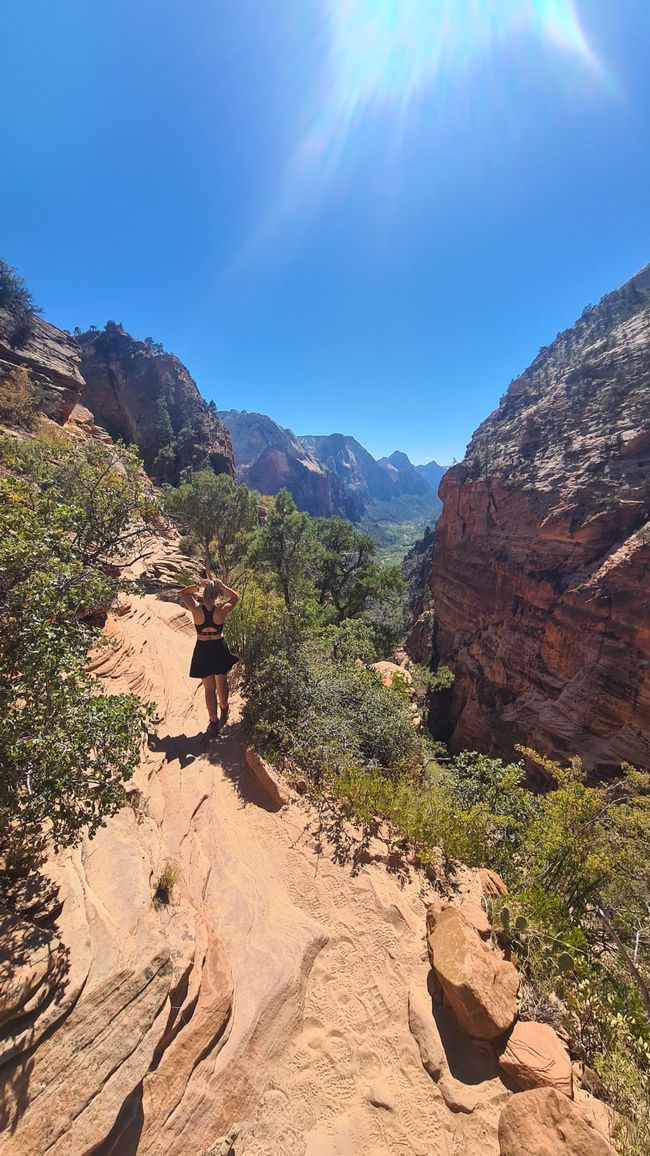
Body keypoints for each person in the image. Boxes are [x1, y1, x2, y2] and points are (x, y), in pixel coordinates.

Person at [181, 576, 240, 735]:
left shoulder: (196, 608)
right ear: (216, 596)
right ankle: (224, 708)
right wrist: (223, 586)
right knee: (221, 681)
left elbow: (183, 593)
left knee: (209, 688)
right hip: (218, 647)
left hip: (203, 648)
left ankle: (213, 721)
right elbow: (235, 598)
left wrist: (197, 585)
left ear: (204, 593)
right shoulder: (220, 610)